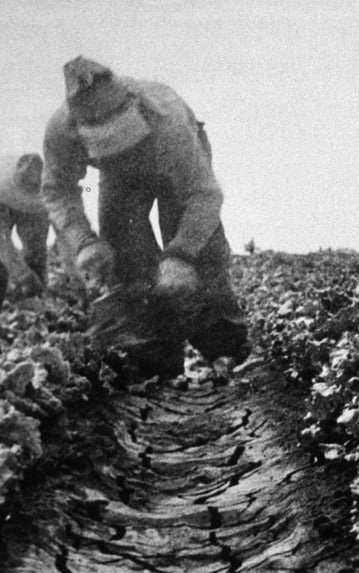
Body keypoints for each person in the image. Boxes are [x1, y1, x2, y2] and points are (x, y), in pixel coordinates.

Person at [42, 56, 249, 377]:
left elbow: (204, 195)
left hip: (173, 166)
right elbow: (57, 190)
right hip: (116, 178)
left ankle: (228, 350)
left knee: (200, 255)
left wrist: (180, 255)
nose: (122, 149)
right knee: (126, 256)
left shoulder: (169, 120)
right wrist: (83, 242)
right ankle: (154, 361)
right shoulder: (61, 131)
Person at [0, 153, 50, 302]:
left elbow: (60, 238)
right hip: (2, 203)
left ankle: (35, 310)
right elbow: (2, 243)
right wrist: (23, 276)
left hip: (34, 209)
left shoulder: (43, 197)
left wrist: (76, 277)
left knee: (36, 255)